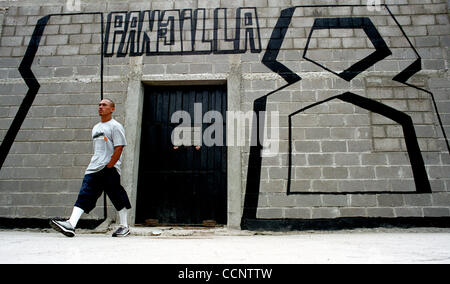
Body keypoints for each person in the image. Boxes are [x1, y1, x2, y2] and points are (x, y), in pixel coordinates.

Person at [50, 98, 132, 237]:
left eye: (104, 105)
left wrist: (110, 165)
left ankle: (124, 226)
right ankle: (71, 224)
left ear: (112, 109)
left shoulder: (115, 126)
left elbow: (119, 147)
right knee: (85, 194)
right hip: (94, 168)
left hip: (109, 168)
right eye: (99, 105)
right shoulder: (96, 127)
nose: (101, 107)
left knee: (116, 195)